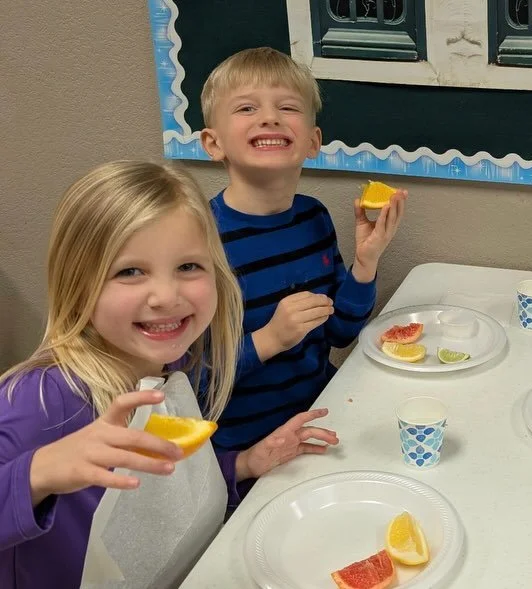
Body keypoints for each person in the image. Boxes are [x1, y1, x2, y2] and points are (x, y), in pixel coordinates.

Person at [0, 161, 338, 588]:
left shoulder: (172, 368)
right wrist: (39, 471)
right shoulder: (40, 398)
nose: (166, 296)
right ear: (77, 284)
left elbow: (162, 494)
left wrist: (246, 462)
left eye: (188, 267)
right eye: (130, 271)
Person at [199, 47, 407, 451]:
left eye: (288, 107)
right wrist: (269, 339)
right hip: (245, 453)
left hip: (322, 424)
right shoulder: (198, 240)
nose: (270, 117)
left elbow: (341, 333)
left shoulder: (314, 217)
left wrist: (365, 265)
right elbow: (190, 380)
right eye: (245, 108)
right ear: (213, 143)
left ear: (313, 142)